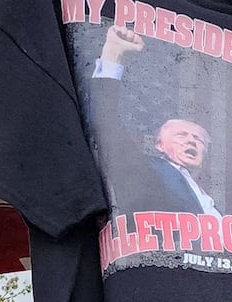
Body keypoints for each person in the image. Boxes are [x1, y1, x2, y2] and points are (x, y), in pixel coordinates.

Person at [91, 25, 223, 217]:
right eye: (181, 135)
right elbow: (105, 121)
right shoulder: (145, 170)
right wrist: (113, 53)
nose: (191, 141)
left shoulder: (210, 197)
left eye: (198, 139)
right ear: (159, 145)